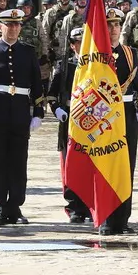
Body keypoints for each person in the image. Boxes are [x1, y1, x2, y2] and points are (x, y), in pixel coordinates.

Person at [0, 8, 46, 225]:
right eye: (9, 25)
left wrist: (39, 112)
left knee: (18, 162)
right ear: (0, 27)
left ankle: (15, 206)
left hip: (20, 113)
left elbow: (36, 83)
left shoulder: (27, 51)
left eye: (17, 25)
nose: (14, 28)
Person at [101, 7, 138, 235]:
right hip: (104, 115)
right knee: (107, 166)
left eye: (116, 24)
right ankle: (106, 218)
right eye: (108, 24)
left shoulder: (129, 53)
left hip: (126, 112)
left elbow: (135, 85)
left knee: (127, 166)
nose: (113, 28)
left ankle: (123, 218)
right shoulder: (96, 53)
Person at [49, 27, 91, 223]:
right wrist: (57, 108)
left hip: (91, 119)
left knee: (90, 164)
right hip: (69, 118)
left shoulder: (95, 66)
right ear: (72, 45)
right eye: (77, 43)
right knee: (70, 164)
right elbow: (52, 92)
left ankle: (90, 204)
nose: (81, 46)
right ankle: (74, 206)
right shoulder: (64, 65)